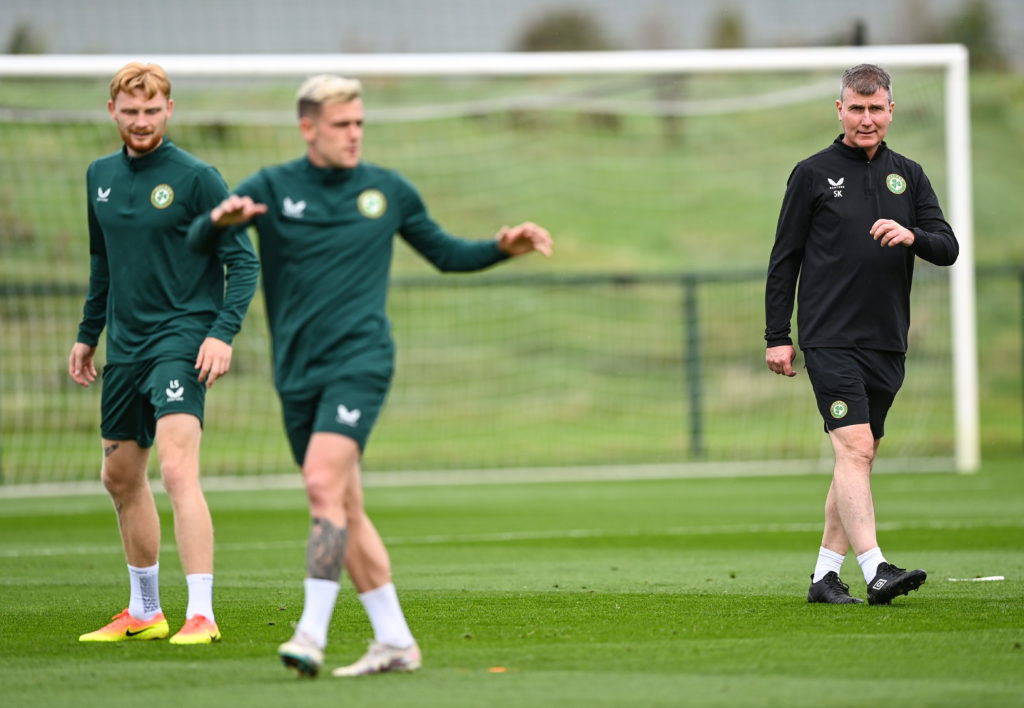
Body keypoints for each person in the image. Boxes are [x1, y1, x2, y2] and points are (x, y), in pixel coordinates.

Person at [187, 74, 552, 677]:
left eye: (360, 123)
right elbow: (198, 238)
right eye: (341, 125)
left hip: (361, 361)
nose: (354, 134)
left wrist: (499, 247)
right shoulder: (272, 187)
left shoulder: (387, 190)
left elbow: (445, 253)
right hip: (296, 372)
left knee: (318, 486)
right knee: (345, 507)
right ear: (308, 127)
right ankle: (395, 642)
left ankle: (310, 633)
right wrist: (220, 221)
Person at [69, 62, 259, 644]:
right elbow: (104, 264)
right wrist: (87, 332)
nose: (142, 121)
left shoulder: (198, 178)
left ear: (169, 110)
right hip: (125, 348)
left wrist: (220, 333)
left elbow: (243, 261)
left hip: (181, 342)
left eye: (152, 111)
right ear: (113, 113)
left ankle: (201, 613)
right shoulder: (98, 175)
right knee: (121, 477)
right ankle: (146, 611)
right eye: (131, 112)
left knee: (177, 469)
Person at [763, 64, 958, 605]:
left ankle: (825, 576)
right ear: (840, 110)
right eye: (856, 107)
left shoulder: (909, 176)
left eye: (876, 109)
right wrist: (777, 334)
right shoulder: (811, 173)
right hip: (829, 337)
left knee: (861, 454)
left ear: (891, 110)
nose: (866, 119)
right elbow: (785, 259)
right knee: (853, 447)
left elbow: (947, 246)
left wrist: (912, 234)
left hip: (887, 339)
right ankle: (876, 569)